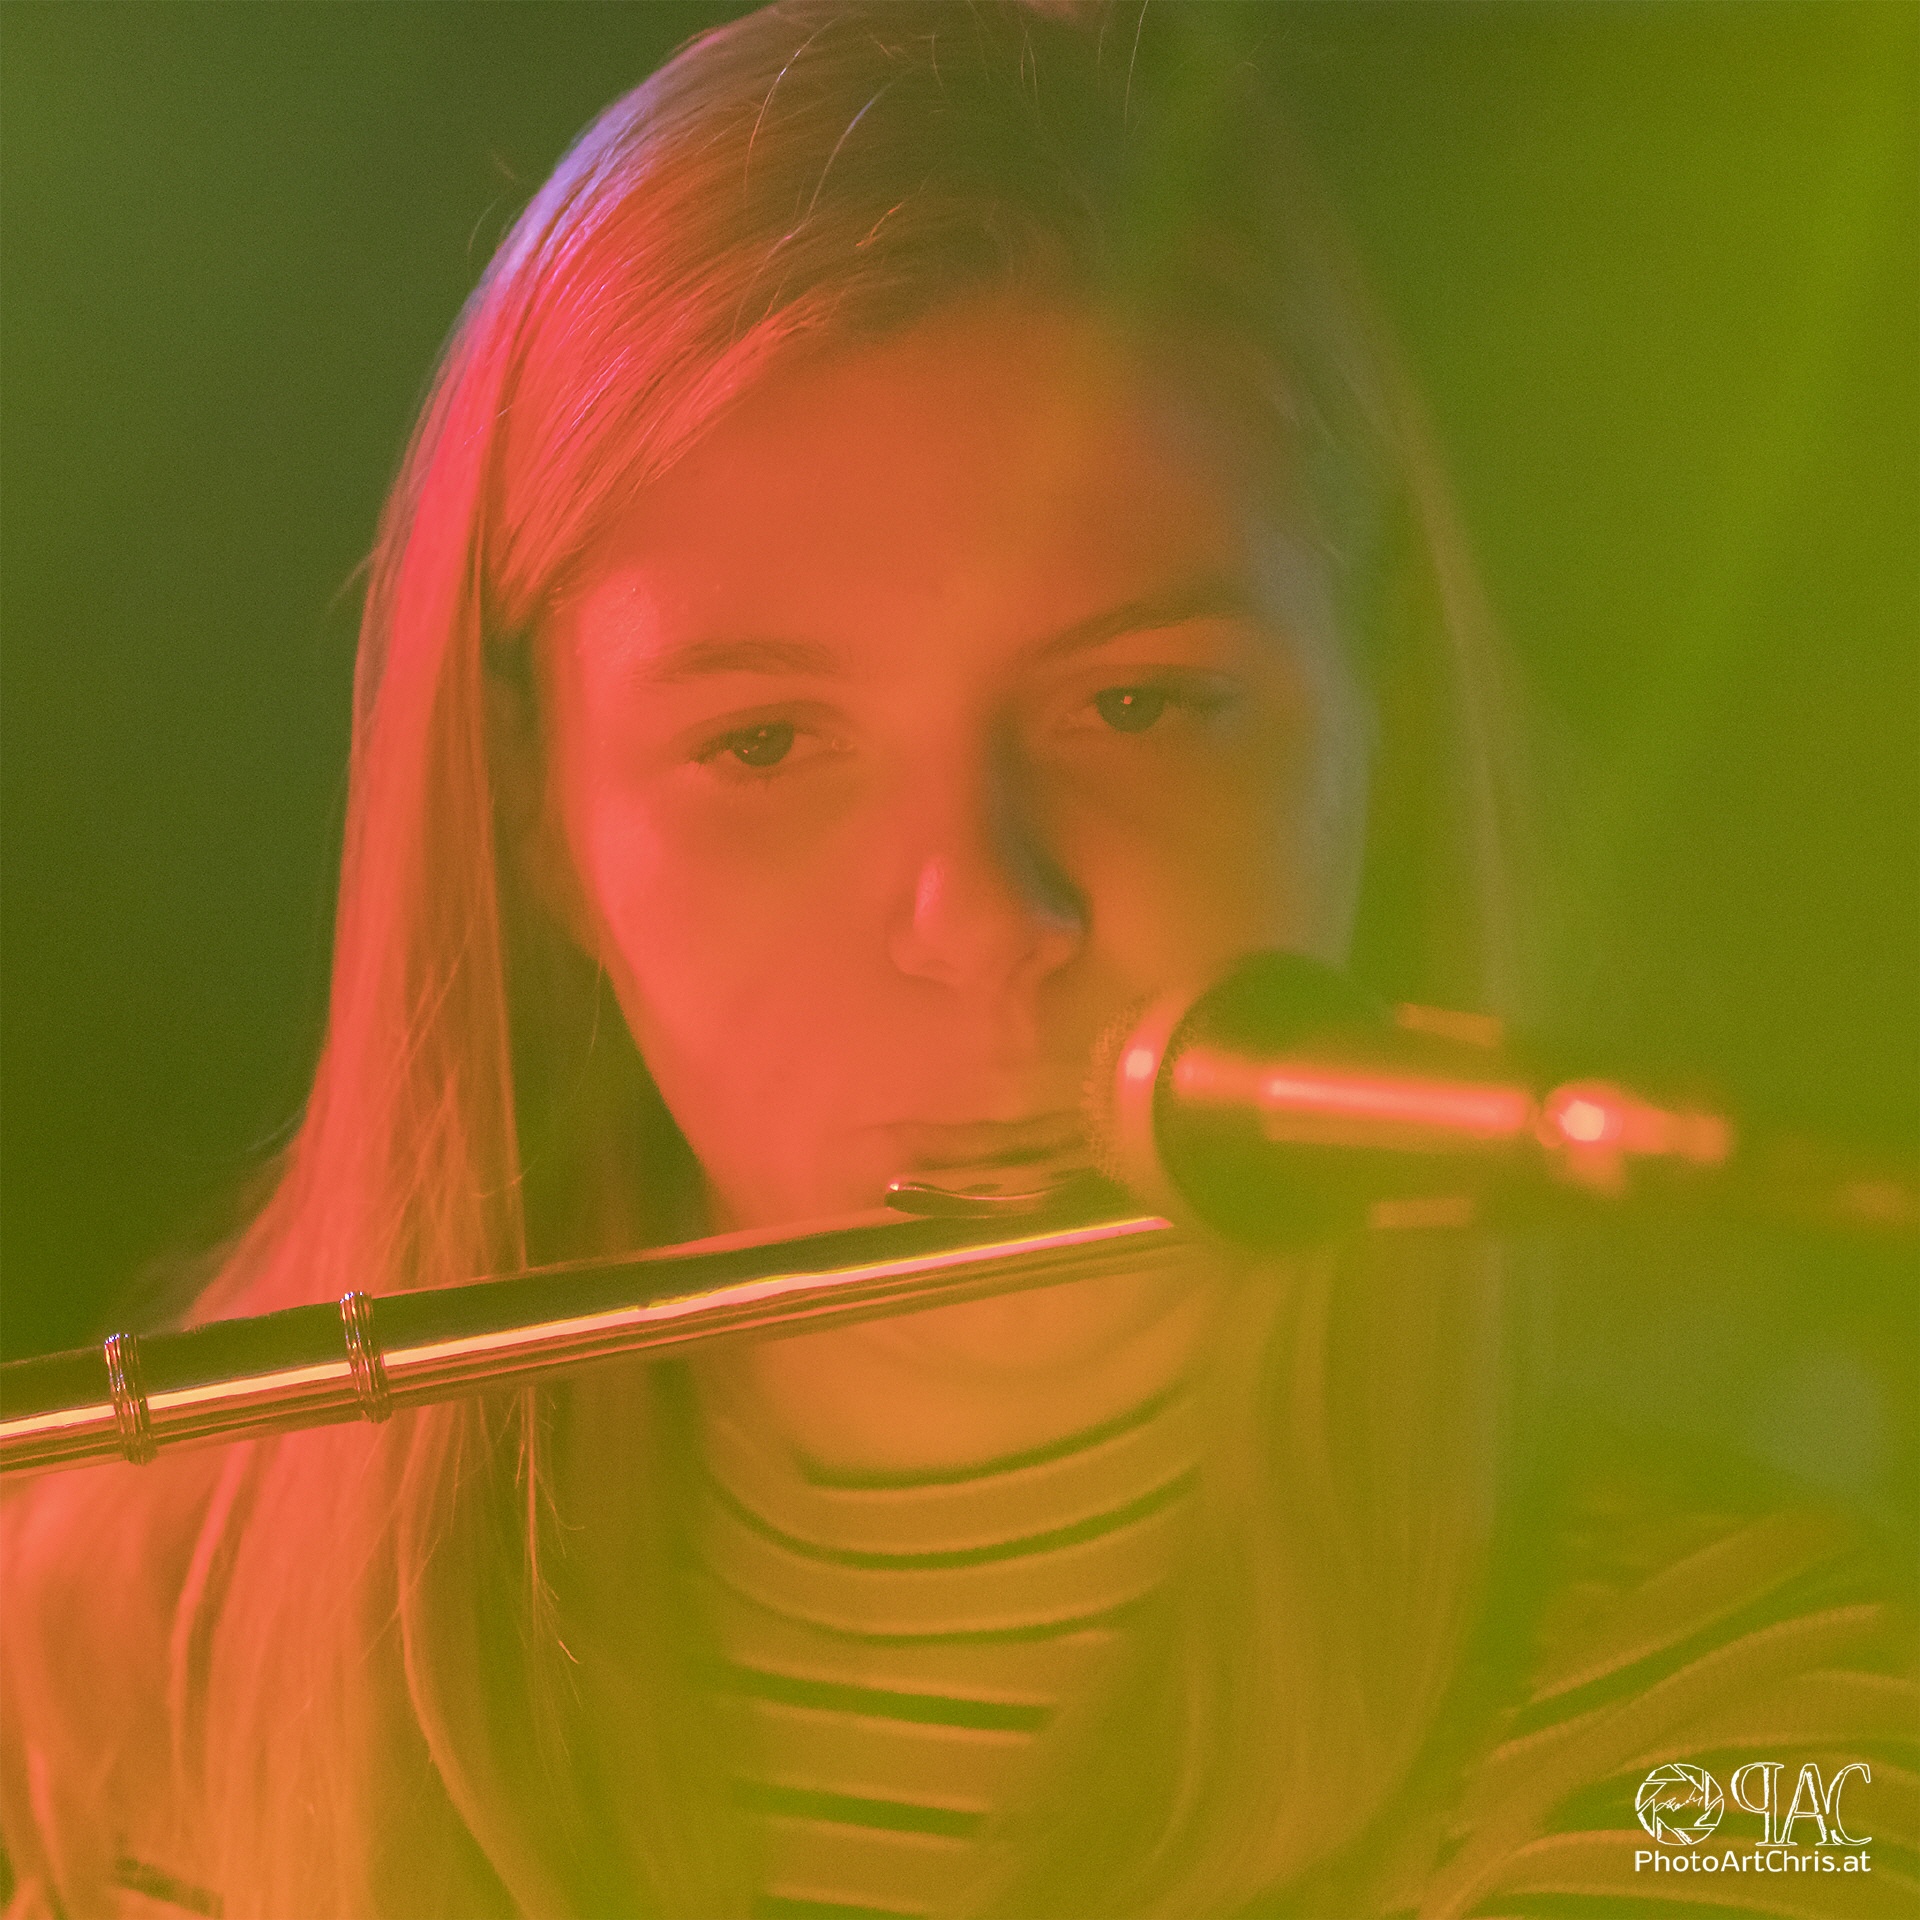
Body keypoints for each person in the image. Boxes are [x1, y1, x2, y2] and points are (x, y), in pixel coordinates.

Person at [2, 5, 1910, 1917]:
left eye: (1139, 705)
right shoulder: (88, 1675)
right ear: (533, 824)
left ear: (1382, 724)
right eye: (764, 745)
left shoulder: (1763, 1736)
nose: (984, 919)